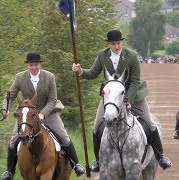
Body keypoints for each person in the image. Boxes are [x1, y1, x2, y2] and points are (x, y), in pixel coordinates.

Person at [72, 30, 172, 172]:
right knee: (97, 127)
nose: (117, 47)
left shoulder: (132, 56)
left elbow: (135, 81)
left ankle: (160, 156)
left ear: (121, 42)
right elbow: (93, 73)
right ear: (109, 44)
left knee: (149, 124)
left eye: (119, 43)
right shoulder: (102, 55)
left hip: (134, 95)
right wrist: (81, 71)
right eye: (114, 44)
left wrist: (128, 100)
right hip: (111, 97)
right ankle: (98, 161)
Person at [1, 52, 85, 180]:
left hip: (49, 112)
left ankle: (76, 164)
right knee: (13, 140)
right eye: (31, 65)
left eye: (36, 65)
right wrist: (5, 108)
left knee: (63, 136)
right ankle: (9, 172)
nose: (33, 68)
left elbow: (52, 100)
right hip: (28, 114)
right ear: (27, 65)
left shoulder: (49, 77)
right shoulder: (19, 78)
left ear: (40, 64)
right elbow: (9, 96)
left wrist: (42, 114)